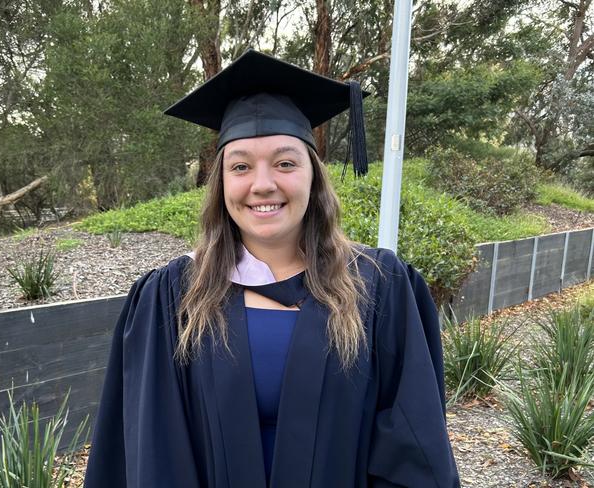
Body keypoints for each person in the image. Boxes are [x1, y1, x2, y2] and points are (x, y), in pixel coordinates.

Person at [84, 50, 460, 488]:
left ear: (313, 177)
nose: (262, 184)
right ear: (221, 182)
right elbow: (147, 452)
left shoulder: (380, 288)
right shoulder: (171, 298)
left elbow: (414, 447)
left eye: (285, 163)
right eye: (240, 166)